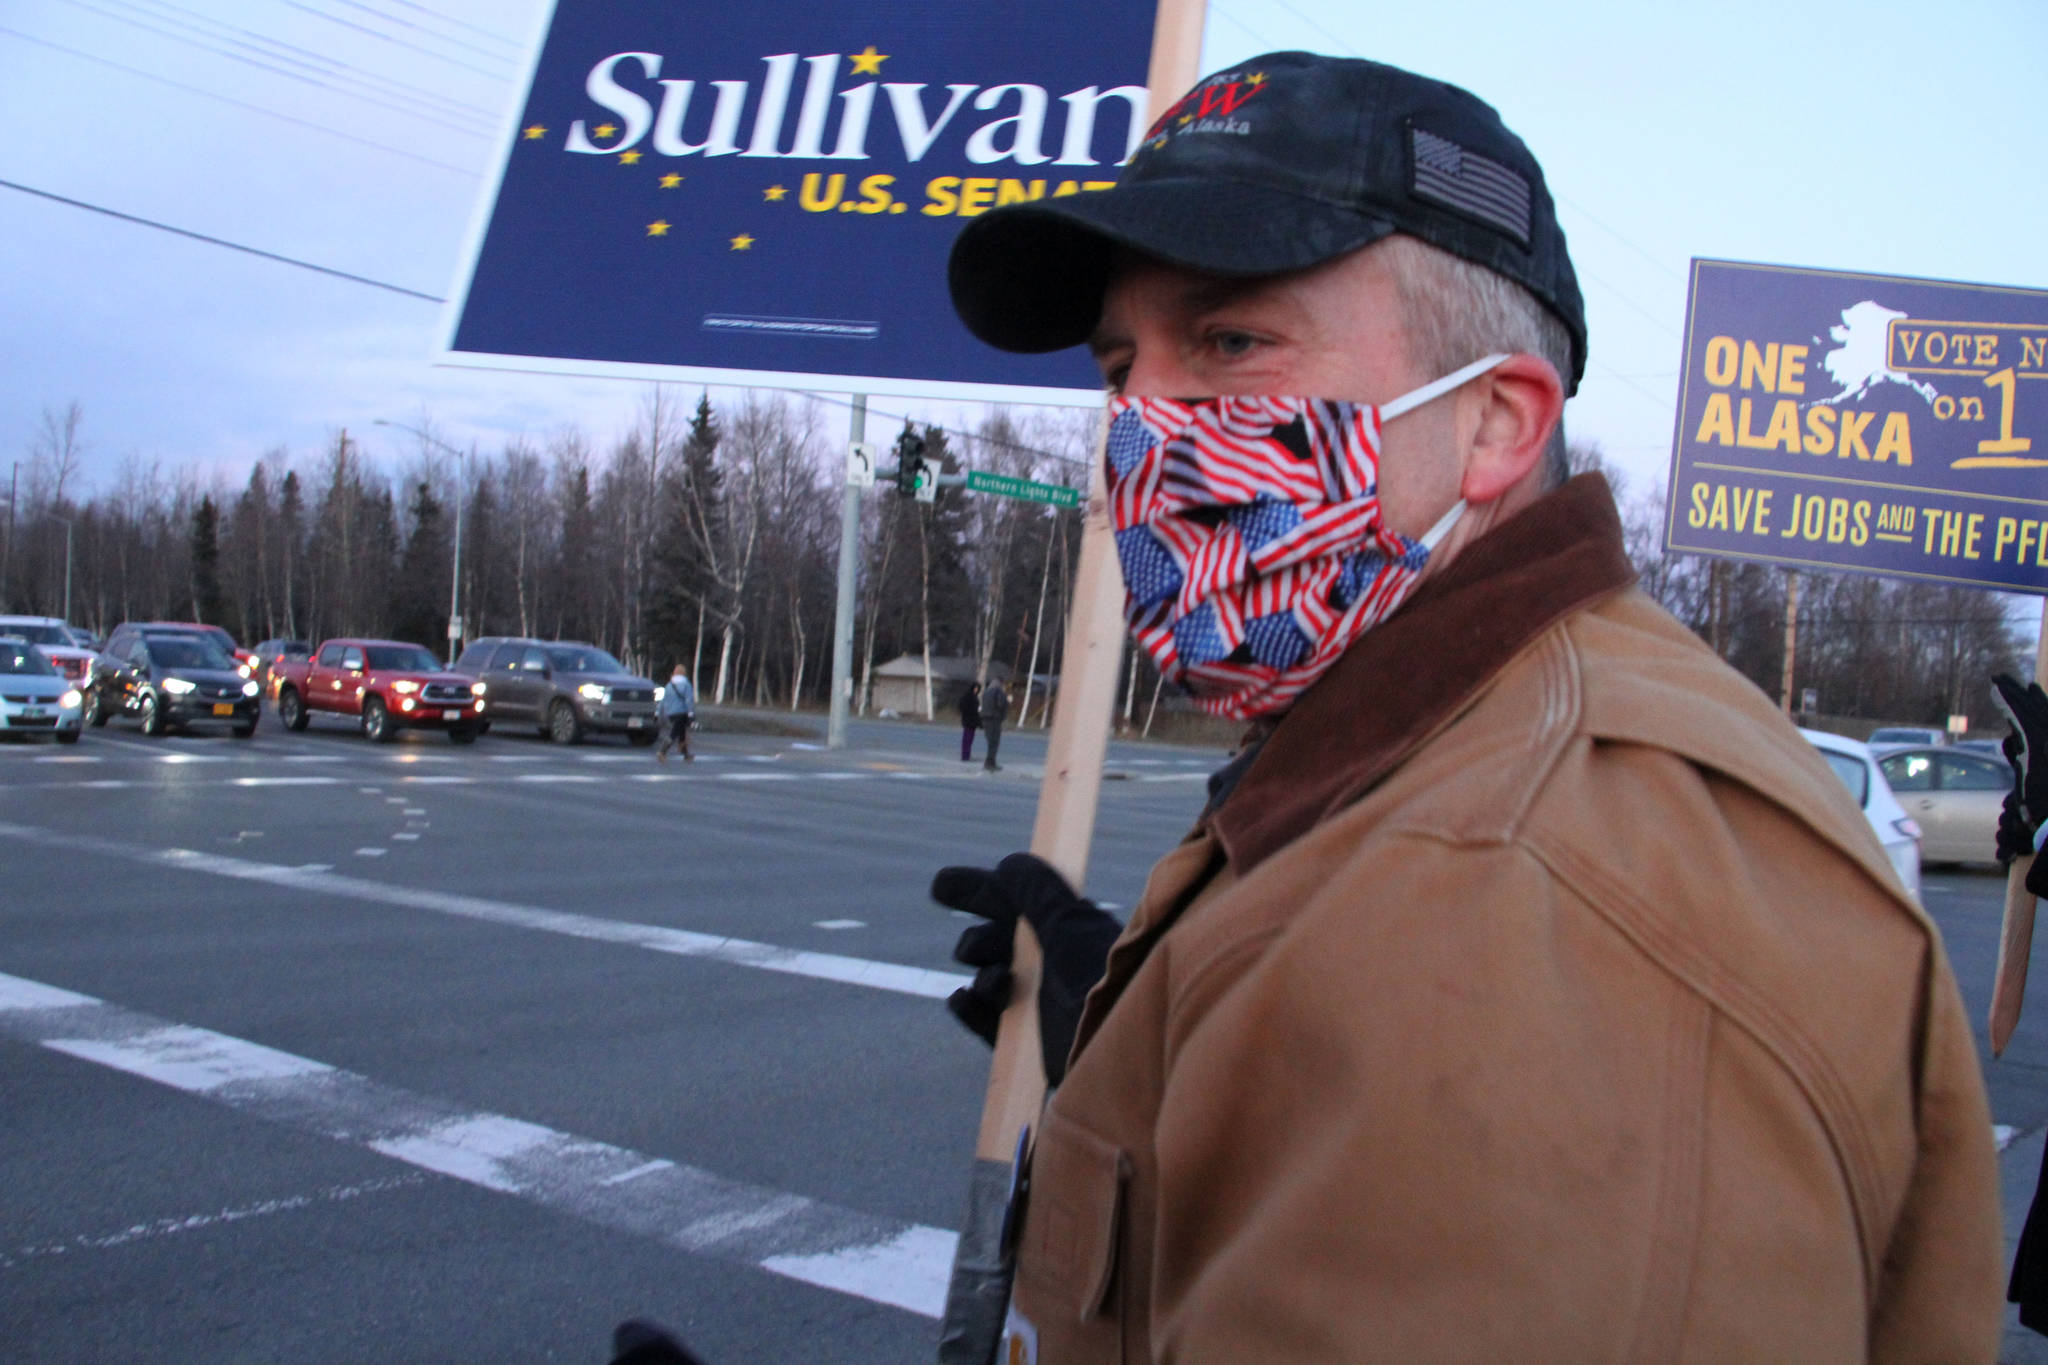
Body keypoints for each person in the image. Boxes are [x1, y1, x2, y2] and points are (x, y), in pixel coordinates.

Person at [932, 51, 2001, 1361]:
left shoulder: (1544, 900)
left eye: (1231, 341)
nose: (1147, 429)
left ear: (1496, 425)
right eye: (1118, 370)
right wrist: (1170, 1033)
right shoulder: (1439, 756)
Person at [656, 664, 693, 762]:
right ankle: (662, 751)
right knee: (674, 733)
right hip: (682, 713)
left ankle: (686, 755)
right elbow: (689, 700)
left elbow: (662, 701)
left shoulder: (669, 685)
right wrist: (691, 714)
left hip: (671, 713)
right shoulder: (686, 684)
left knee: (681, 734)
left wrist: (658, 713)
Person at [979, 677, 1009, 772]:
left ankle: (989, 761)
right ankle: (990, 762)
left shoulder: (986, 692)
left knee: (990, 741)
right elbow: (1000, 704)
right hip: (994, 719)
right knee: (994, 742)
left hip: (985, 718)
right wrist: (1007, 701)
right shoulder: (999, 691)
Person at [957, 680, 981, 762]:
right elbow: (962, 706)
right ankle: (965, 756)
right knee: (967, 739)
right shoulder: (969, 696)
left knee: (969, 739)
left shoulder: (973, 696)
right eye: (976, 688)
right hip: (969, 720)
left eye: (977, 688)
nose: (976, 690)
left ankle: (967, 755)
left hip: (971, 720)